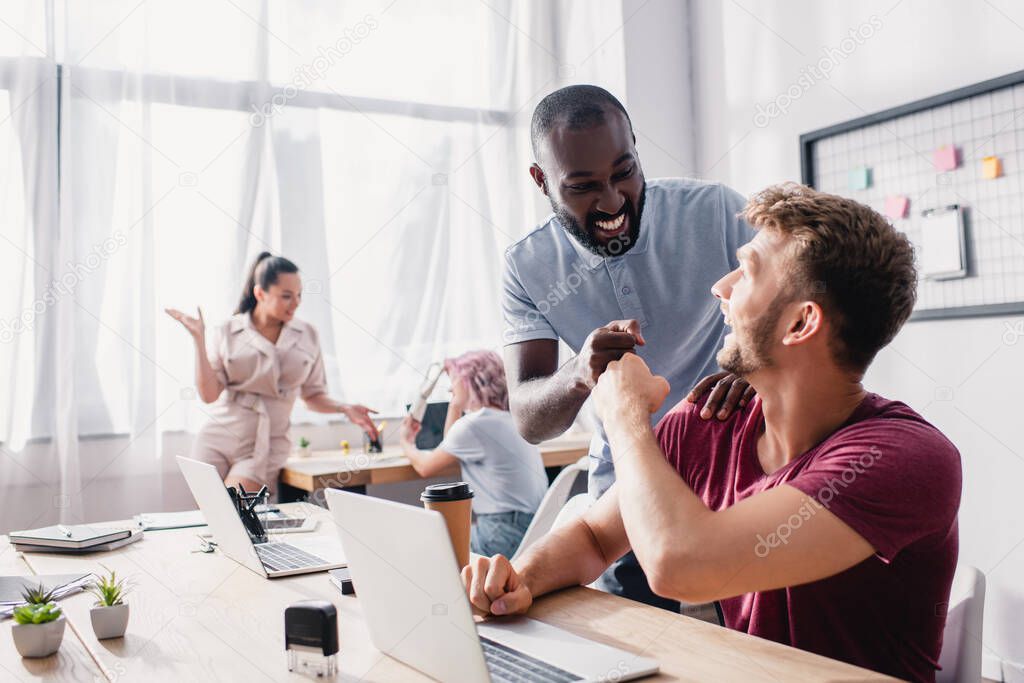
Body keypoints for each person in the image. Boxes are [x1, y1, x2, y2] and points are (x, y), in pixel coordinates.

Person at [465, 184, 961, 682]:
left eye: (746, 271)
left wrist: (624, 416)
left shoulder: (904, 460)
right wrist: (519, 579)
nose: (720, 288)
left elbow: (680, 567)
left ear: (800, 322)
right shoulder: (711, 421)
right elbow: (594, 537)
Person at [501, 84, 756, 608]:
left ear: (637, 150)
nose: (613, 202)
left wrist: (753, 365)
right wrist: (578, 372)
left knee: (754, 635)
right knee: (635, 641)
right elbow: (530, 421)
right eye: (583, 187)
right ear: (540, 181)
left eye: (625, 172)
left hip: (739, 470)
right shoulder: (527, 266)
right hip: (625, 491)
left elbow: (804, 300)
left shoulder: (716, 211)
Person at [166, 252, 378, 493]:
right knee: (212, 517)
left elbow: (312, 395)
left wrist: (344, 408)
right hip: (218, 436)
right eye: (286, 296)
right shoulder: (227, 330)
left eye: (299, 295)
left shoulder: (307, 334)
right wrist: (198, 339)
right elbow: (209, 395)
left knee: (237, 510)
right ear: (260, 293)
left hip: (265, 443)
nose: (296, 302)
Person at [399, 350, 548, 559]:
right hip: (535, 531)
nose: (450, 388)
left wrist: (405, 442)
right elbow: (451, 441)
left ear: (467, 382)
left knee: (428, 551)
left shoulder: (474, 425)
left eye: (454, 382)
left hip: (502, 534)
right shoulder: (512, 419)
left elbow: (425, 467)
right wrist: (457, 404)